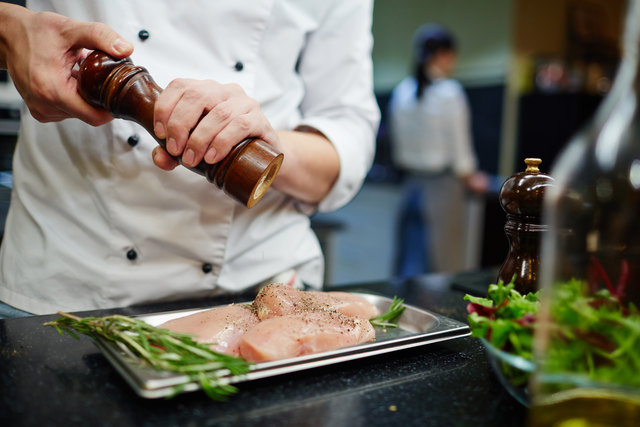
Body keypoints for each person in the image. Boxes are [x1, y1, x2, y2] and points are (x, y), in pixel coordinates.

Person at [0, 1, 380, 316]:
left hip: (263, 287)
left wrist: (264, 145)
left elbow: (347, 131)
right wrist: (13, 31)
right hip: (70, 281)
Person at [388, 24, 488, 274]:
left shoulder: (401, 92)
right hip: (442, 187)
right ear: (443, 54)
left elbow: (397, 146)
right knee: (441, 264)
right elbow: (460, 148)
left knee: (407, 261)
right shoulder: (450, 92)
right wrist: (470, 176)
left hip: (410, 186)